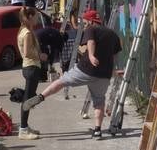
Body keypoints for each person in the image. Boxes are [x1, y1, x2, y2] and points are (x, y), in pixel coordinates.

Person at [23, 8, 122, 139]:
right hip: (103, 74)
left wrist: (91, 55)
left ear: (91, 21)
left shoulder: (92, 29)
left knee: (61, 81)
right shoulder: (113, 34)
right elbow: (115, 55)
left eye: (85, 21)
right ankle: (98, 130)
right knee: (99, 101)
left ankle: (41, 97)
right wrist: (113, 70)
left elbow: (91, 42)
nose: (84, 24)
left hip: (86, 69)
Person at [17, 8, 46, 140]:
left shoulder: (23, 30)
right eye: (35, 16)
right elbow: (28, 52)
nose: (37, 19)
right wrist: (41, 56)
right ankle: (23, 130)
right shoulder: (27, 33)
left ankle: (25, 126)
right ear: (29, 17)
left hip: (29, 67)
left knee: (28, 99)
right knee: (28, 100)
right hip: (31, 67)